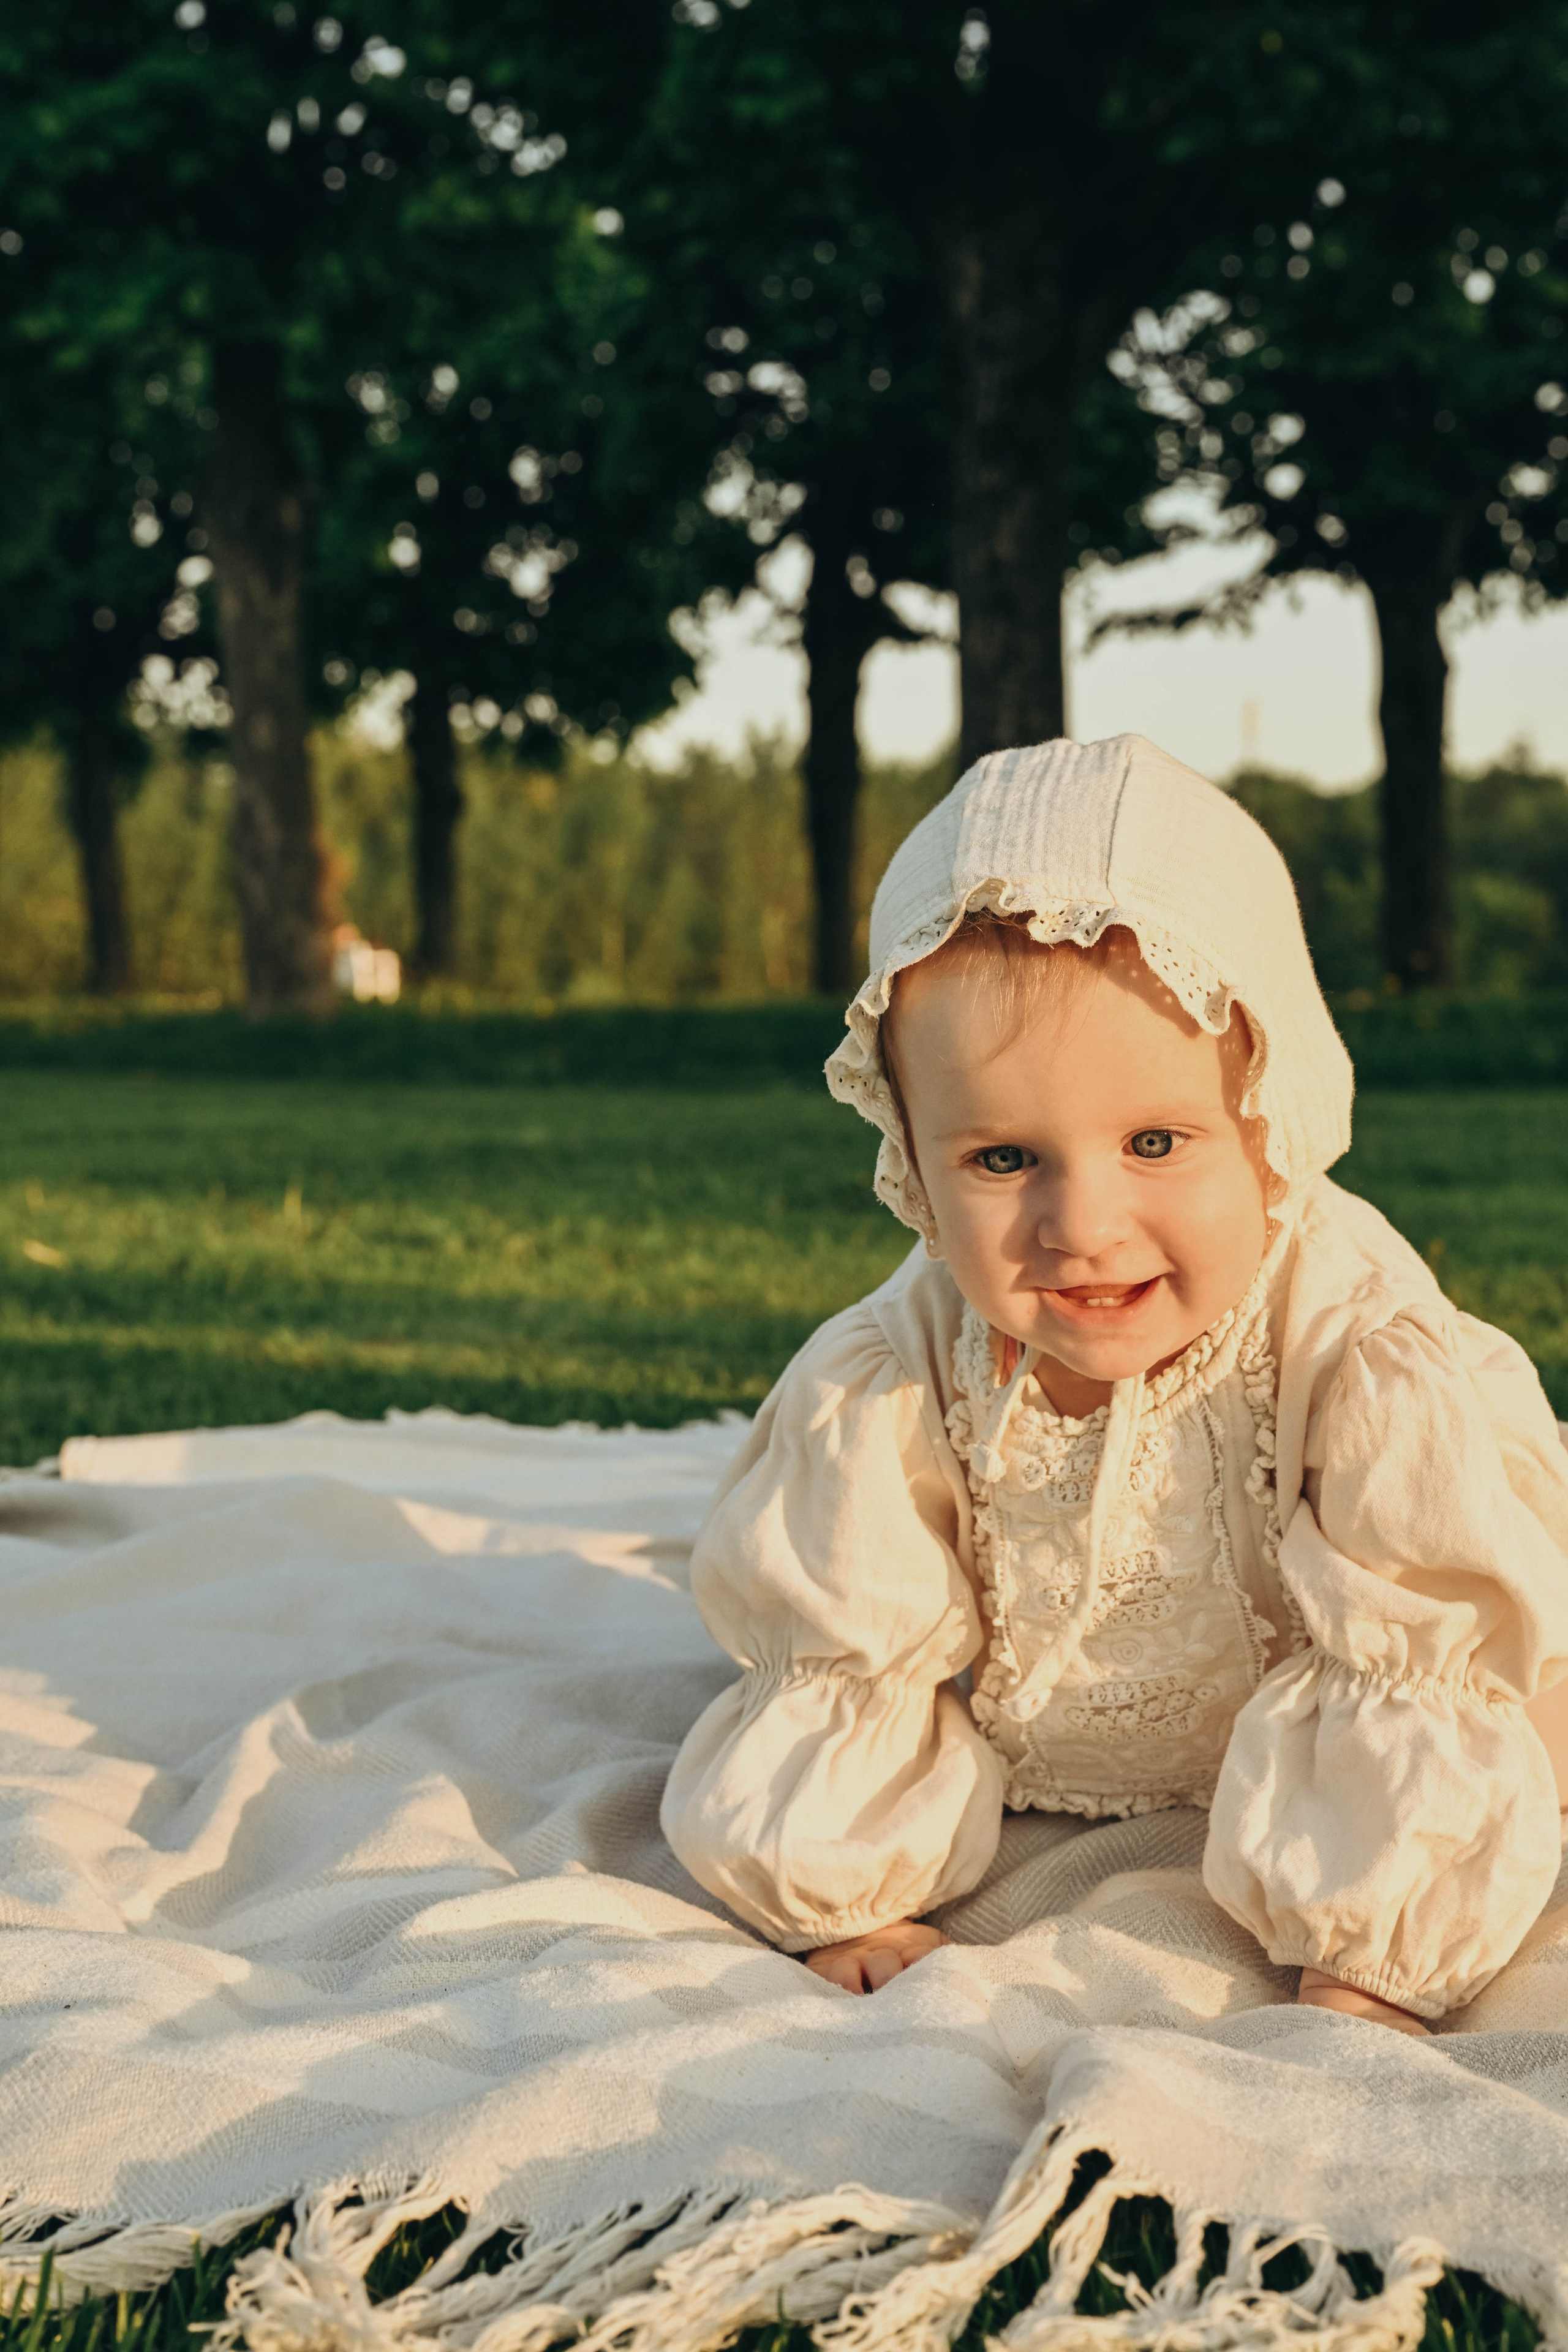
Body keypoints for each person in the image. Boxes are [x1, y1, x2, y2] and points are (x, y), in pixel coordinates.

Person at [662, 735, 1568, 2034]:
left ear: (1266, 1119)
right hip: (1068, 1758)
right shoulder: (895, 1370)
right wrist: (844, 1883)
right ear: (908, 1156)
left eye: (1154, 1142)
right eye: (999, 1158)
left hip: (1375, 1711)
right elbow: (844, 1621)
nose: (1078, 1225)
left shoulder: (1346, 1345)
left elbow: (1416, 1630)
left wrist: (1372, 1935)